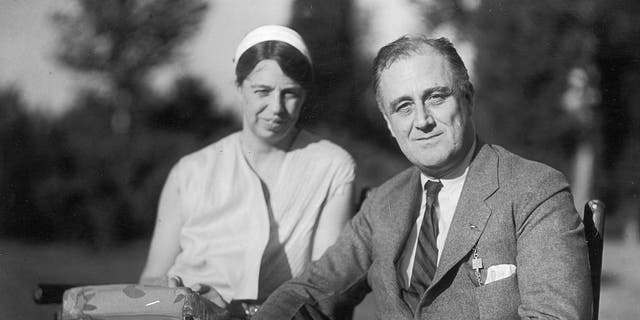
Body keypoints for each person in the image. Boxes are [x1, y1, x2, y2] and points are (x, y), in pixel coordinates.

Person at [254, 36, 592, 319]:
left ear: (468, 99)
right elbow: (312, 291)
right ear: (389, 124)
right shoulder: (382, 203)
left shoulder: (535, 191)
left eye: (435, 97)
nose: (422, 120)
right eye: (403, 106)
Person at [139, 25, 356, 316]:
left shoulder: (332, 166)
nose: (276, 107)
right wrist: (172, 292)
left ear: (304, 97)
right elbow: (152, 279)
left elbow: (323, 290)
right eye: (262, 91)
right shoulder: (189, 171)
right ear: (240, 87)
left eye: (290, 93)